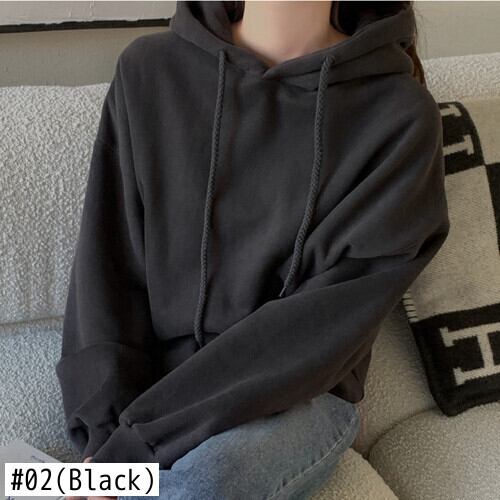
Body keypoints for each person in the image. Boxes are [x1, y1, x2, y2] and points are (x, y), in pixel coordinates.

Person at [57, 1, 450, 499]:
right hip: (150, 400)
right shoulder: (150, 72)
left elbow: (316, 330)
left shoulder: (401, 117)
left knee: (204, 485)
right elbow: (107, 273)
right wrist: (105, 436)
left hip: (296, 400)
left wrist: (136, 449)